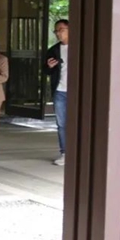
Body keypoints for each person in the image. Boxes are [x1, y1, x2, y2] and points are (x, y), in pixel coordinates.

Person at [46, 19, 69, 166]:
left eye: (61, 30)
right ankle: (64, 153)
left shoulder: (81, 47)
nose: (58, 33)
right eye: (56, 31)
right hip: (60, 90)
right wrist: (49, 67)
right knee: (61, 124)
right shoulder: (53, 50)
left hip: (77, 92)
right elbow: (46, 71)